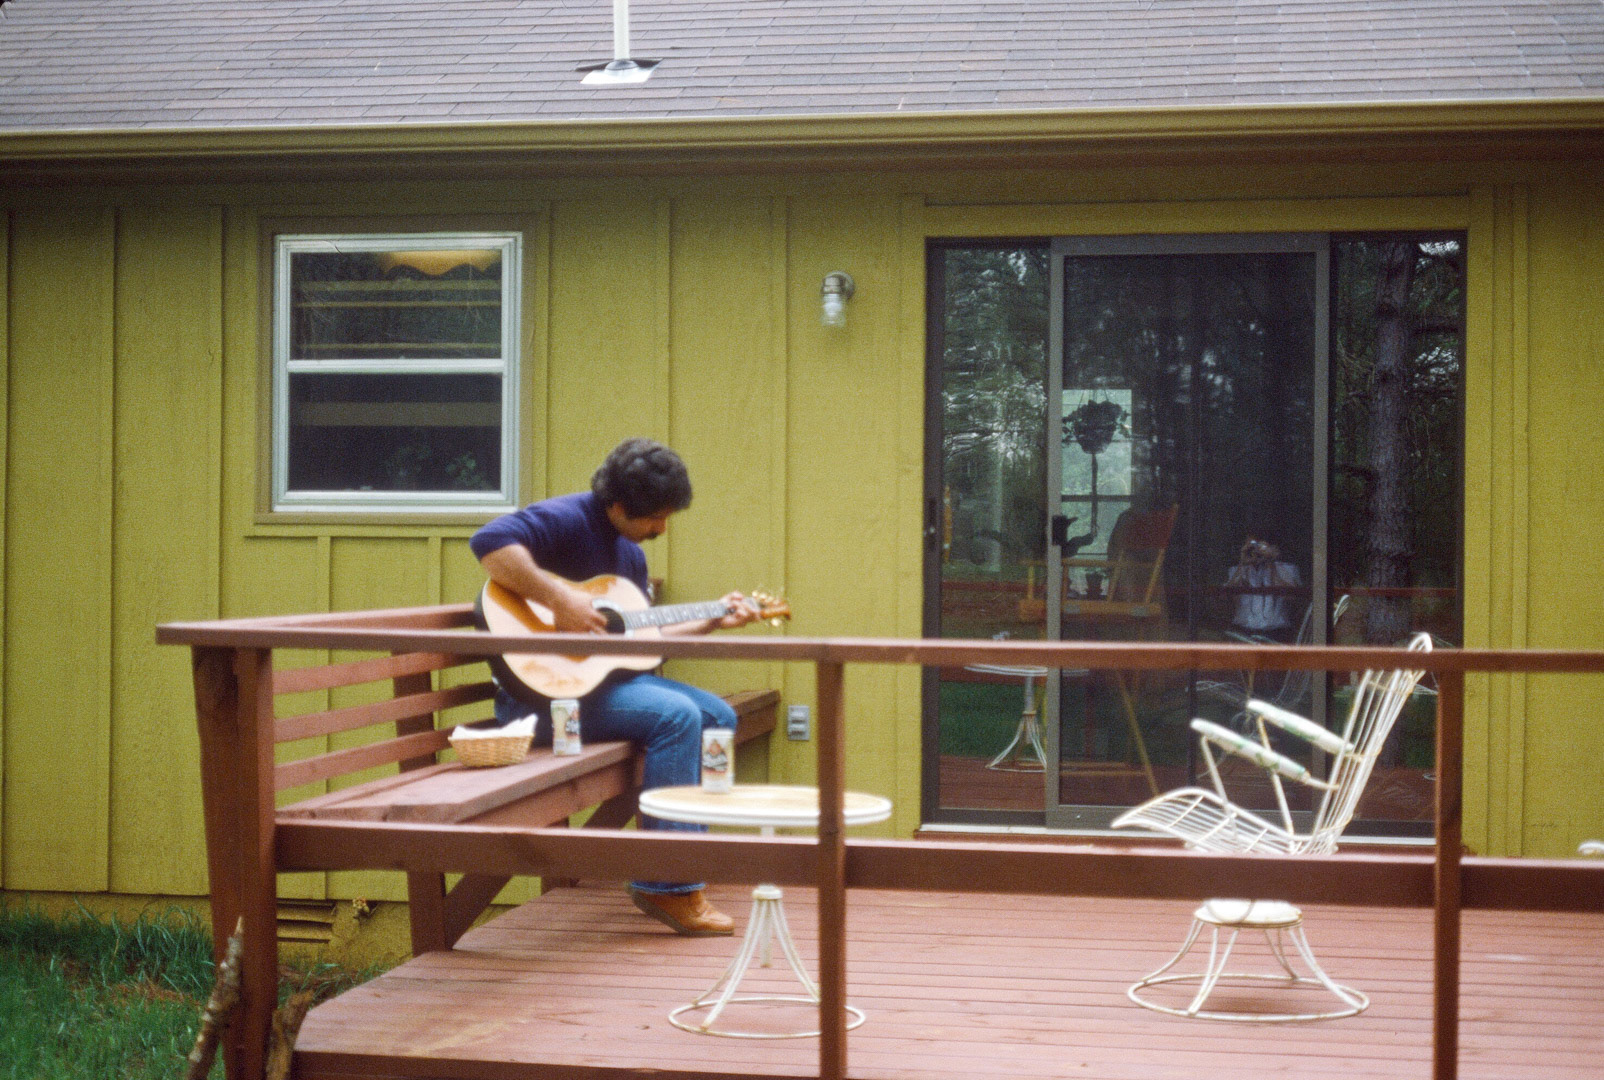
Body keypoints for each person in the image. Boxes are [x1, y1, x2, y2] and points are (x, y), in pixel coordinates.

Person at [469, 438, 759, 936]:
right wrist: (559, 598)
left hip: (600, 690)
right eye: (655, 518)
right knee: (677, 716)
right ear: (620, 505)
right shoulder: (568, 518)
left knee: (719, 718)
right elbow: (488, 543)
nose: (661, 529)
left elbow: (647, 639)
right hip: (543, 702)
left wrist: (713, 619)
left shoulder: (631, 556)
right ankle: (667, 884)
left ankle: (692, 851)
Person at [1225, 534, 1303, 643]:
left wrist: (1271, 563)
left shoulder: (1287, 569)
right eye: (1251, 547)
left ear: (1273, 548)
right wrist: (1242, 563)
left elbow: (1292, 597)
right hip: (1242, 632)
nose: (1256, 552)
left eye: (1260, 547)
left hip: (1277, 633)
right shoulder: (1236, 570)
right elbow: (1225, 598)